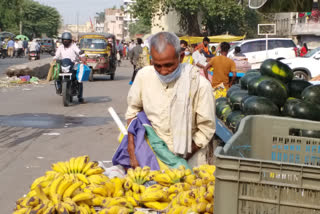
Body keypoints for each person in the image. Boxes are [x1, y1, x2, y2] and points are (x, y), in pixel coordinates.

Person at [120, 32, 215, 169]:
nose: (163, 71)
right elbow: (132, 113)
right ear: (151, 60)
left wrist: (176, 160)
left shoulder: (200, 85)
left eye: (169, 65)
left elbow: (206, 129)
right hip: (152, 156)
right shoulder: (144, 76)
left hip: (190, 159)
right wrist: (132, 152)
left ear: (181, 57)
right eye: (157, 66)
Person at [53, 32, 85, 103]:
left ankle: (80, 97)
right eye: (64, 40)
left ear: (70, 40)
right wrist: (55, 58)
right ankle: (59, 88)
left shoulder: (73, 46)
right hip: (63, 65)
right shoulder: (60, 47)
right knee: (56, 76)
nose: (65, 41)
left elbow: (79, 52)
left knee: (79, 79)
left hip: (73, 65)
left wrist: (81, 55)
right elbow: (57, 55)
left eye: (67, 40)